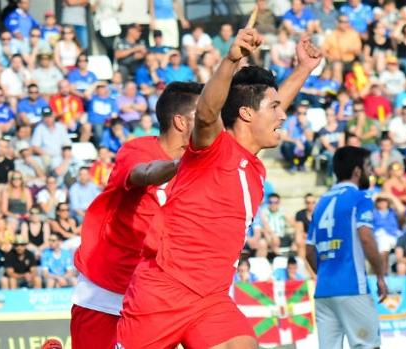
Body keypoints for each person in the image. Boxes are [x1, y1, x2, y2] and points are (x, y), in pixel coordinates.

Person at [117, 28, 321, 348]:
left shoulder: (251, 158)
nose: (284, 116)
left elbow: (268, 107)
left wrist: (304, 69)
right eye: (276, 109)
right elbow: (207, 112)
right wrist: (230, 59)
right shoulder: (213, 146)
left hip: (211, 300)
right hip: (163, 292)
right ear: (246, 114)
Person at [72, 81, 203, 349]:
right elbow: (143, 173)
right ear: (180, 122)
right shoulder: (138, 149)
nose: (212, 119)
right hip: (109, 285)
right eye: (202, 113)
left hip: (163, 288)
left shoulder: (204, 160)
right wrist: (179, 165)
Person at [306, 146, 387, 349]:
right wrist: (380, 275)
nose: (371, 171)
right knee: (367, 345)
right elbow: (366, 238)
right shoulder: (361, 197)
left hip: (324, 291)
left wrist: (326, 274)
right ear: (357, 171)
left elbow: (308, 252)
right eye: (368, 166)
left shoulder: (320, 202)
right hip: (352, 287)